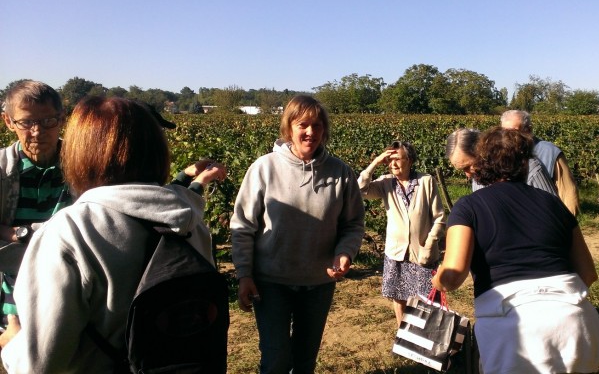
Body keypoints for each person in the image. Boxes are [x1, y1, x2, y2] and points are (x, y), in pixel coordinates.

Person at [0, 96, 224, 372]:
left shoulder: (71, 230)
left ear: (82, 154)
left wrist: (12, 344)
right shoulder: (191, 223)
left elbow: (40, 364)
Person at [432, 127, 599, 373]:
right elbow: (588, 274)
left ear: (483, 162)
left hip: (513, 331)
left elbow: (454, 274)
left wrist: (439, 280)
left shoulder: (467, 207)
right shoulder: (554, 204)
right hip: (577, 325)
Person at [230, 95, 365, 374]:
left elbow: (353, 223)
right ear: (288, 127)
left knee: (305, 361)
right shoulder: (263, 169)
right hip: (271, 283)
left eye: (317, 125)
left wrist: (345, 251)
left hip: (318, 284)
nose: (311, 132)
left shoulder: (341, 173)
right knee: (276, 359)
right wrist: (244, 274)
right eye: (303, 124)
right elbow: (243, 225)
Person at [0, 80, 73, 337]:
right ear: (8, 122)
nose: (37, 132)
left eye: (48, 121)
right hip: (13, 303)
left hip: (71, 297)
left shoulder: (83, 166)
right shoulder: (1, 169)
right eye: (26, 122)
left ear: (62, 119)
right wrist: (17, 234)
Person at [358, 140, 445, 327]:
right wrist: (375, 163)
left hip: (421, 252)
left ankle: (425, 338)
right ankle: (403, 334)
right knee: (399, 296)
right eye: (390, 160)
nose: (393, 164)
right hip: (396, 252)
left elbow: (440, 218)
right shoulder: (385, 183)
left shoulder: (426, 181)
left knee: (426, 298)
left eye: (398, 159)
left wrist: (430, 244)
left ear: (410, 160)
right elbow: (360, 189)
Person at [500, 109, 580, 215]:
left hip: (545, 216)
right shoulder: (499, 153)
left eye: (514, 131)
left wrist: (568, 225)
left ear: (528, 129)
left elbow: (568, 192)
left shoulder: (549, 151)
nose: (509, 136)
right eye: (505, 131)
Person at [445, 127, 557, 195]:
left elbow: (554, 212)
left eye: (468, 166)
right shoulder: (478, 179)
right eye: (462, 170)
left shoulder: (529, 167)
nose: (468, 174)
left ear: (482, 151)